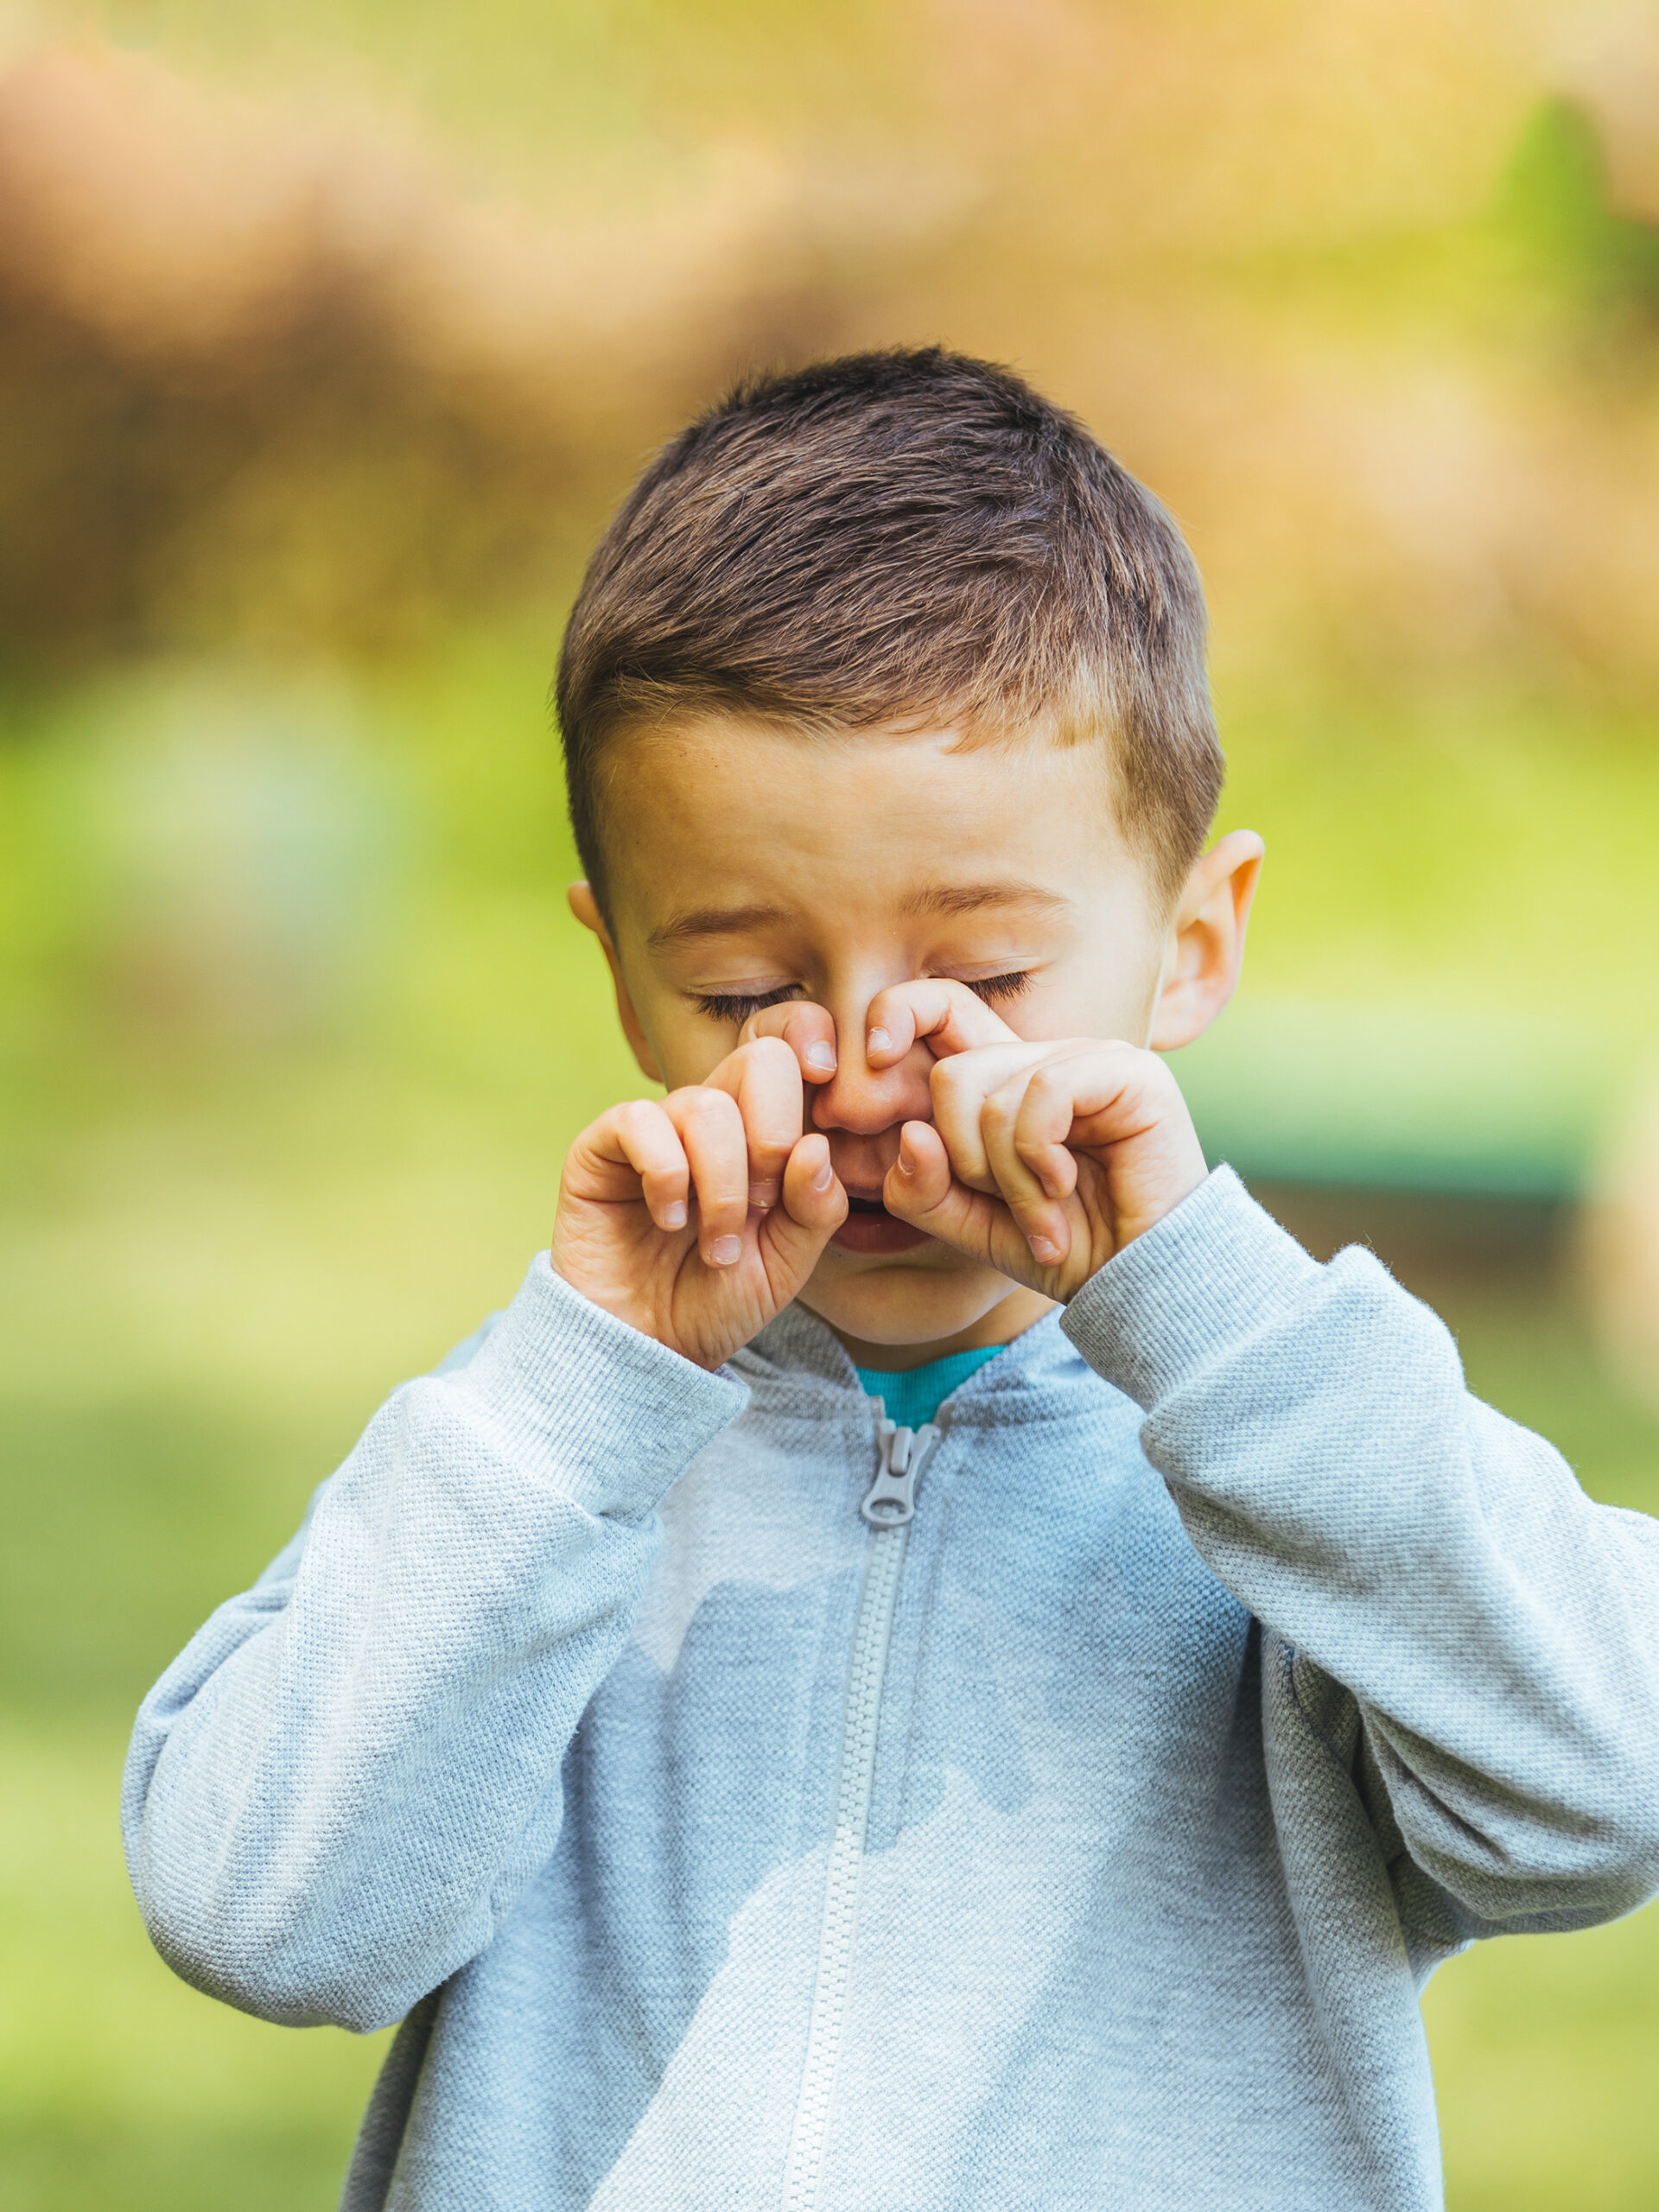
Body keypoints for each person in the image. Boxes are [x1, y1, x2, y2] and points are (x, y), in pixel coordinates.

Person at [124, 348, 1659, 2212]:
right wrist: (580, 1390)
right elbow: (270, 1918)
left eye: (987, 980)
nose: (862, 1069)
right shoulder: (540, 1460)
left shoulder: (1299, 1453)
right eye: (752, 990)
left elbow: (1601, 1793)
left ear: (1191, 946)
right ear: (619, 974)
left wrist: (1205, 1306)